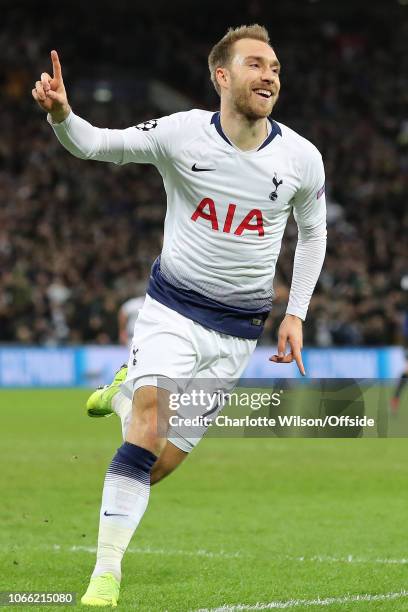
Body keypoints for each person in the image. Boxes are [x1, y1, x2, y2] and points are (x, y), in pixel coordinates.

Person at [32, 24, 327, 606]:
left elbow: (313, 231)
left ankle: (122, 392)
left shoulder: (301, 157)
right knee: (147, 425)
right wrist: (63, 115)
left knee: (156, 464)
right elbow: (96, 144)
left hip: (238, 333)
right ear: (222, 75)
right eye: (256, 65)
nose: (270, 75)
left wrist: (296, 313)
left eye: (275, 67)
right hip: (171, 310)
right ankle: (106, 572)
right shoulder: (181, 134)